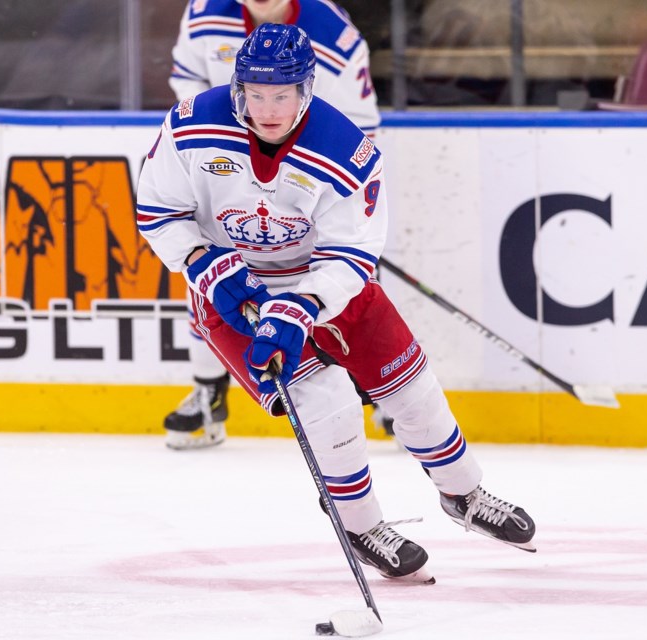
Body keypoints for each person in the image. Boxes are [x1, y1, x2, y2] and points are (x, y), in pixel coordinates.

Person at [137, 22, 536, 583]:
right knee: (328, 404)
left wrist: (300, 307)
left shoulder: (345, 147)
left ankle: (464, 494)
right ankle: (361, 525)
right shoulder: (190, 127)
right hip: (233, 295)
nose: (268, 108)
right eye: (256, 94)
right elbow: (157, 209)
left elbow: (353, 252)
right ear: (238, 89)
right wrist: (204, 264)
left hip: (325, 285)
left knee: (413, 391)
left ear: (305, 89)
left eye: (281, 95)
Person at [164, 0, 385, 450]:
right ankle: (210, 392)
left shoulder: (331, 32)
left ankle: (379, 386)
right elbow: (186, 84)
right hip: (223, 171)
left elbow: (359, 132)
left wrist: (336, 208)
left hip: (309, 182)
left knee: (348, 281)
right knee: (211, 276)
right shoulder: (204, 13)